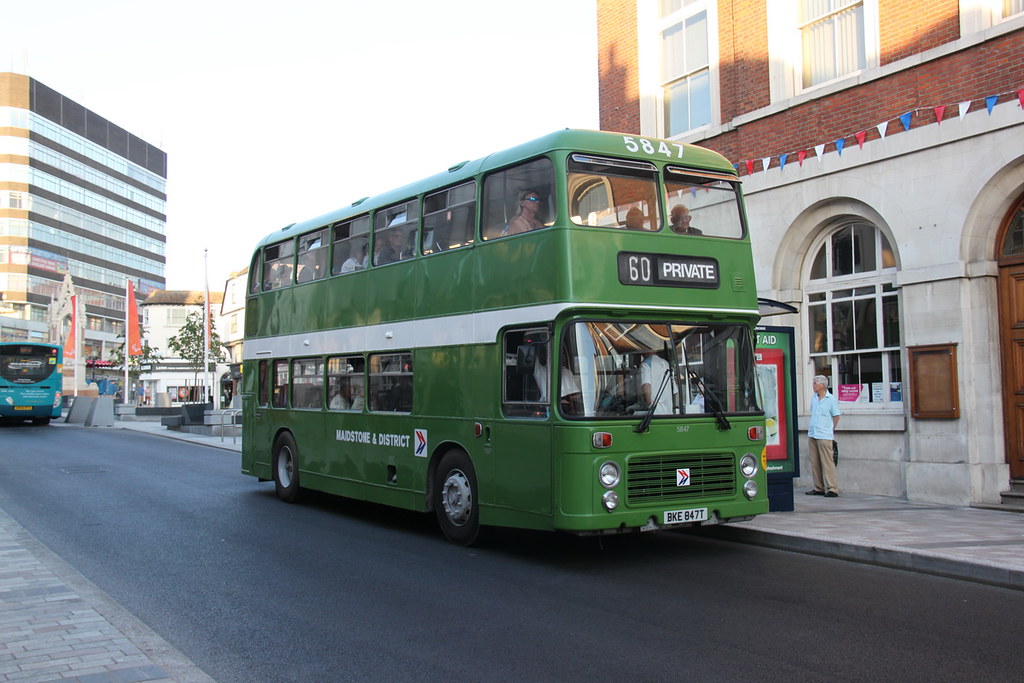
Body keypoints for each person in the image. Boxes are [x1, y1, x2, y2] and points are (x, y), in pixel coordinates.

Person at [806, 374, 841, 497]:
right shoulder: (814, 398)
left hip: (824, 434)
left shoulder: (830, 399)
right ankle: (818, 487)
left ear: (822, 385)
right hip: (813, 433)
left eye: (815, 383)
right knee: (815, 462)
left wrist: (831, 429)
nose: (813, 385)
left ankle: (832, 488)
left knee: (827, 462)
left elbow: (836, 416)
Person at [640, 350, 674, 414]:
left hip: (655, 413)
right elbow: (674, 390)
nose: (641, 354)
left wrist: (648, 405)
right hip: (669, 413)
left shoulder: (645, 364)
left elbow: (646, 386)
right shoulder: (666, 364)